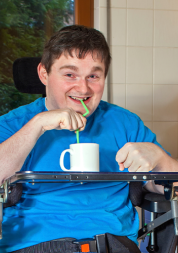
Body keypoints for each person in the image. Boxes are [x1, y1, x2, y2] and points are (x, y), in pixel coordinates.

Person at [0, 25, 177, 253]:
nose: (83, 88)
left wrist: (161, 160)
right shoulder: (15, 123)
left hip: (111, 244)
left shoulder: (125, 123)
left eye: (93, 76)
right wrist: (38, 125)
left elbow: (168, 186)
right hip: (32, 245)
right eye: (70, 74)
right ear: (44, 74)